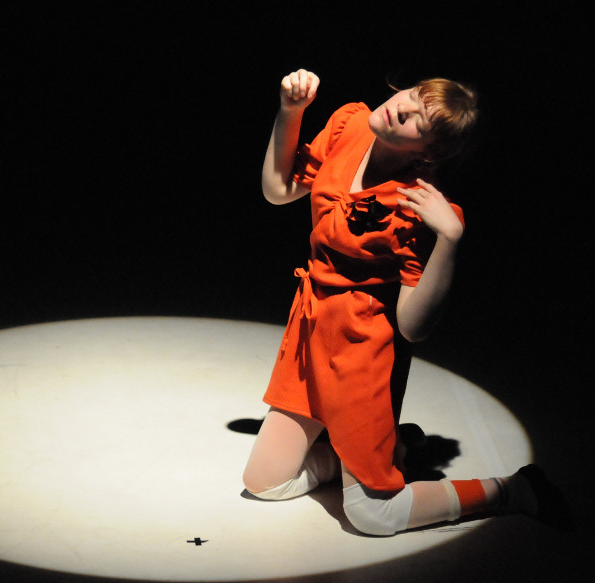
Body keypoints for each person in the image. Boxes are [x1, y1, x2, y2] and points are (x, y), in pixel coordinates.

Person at [242, 69, 570, 535]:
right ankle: (391, 447)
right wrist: (290, 112)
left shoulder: (416, 205)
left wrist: (449, 240)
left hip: (362, 350)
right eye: (413, 95)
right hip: (310, 329)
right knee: (264, 482)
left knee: (375, 516)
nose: (402, 107)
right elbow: (278, 191)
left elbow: (413, 326)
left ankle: (512, 489)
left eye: (419, 118)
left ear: (429, 151)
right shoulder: (350, 124)